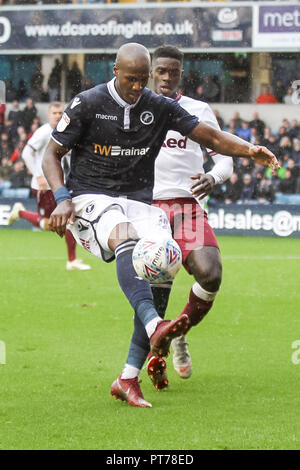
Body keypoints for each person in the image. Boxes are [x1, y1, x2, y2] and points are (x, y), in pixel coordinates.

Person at [41, 43, 278, 409]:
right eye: (131, 79)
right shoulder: (87, 103)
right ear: (114, 69)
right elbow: (51, 153)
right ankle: (158, 328)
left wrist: (250, 150)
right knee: (124, 236)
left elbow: (213, 140)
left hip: (152, 203)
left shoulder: (164, 107)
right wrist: (61, 197)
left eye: (143, 79)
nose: (138, 87)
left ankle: (128, 377)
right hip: (92, 197)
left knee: (165, 267)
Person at [145, 45, 233, 390]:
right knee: (157, 298)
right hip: (147, 210)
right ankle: (154, 357)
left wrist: (214, 177)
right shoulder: (135, 111)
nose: (167, 77)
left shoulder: (197, 111)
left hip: (186, 208)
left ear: (181, 74)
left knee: (210, 274)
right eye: (162, 71)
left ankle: (180, 332)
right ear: (151, 71)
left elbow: (225, 156)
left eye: (174, 72)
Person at [8, 102, 91, 272]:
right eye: (54, 112)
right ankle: (20, 212)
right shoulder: (44, 132)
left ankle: (72, 260)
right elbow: (26, 153)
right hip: (44, 187)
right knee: (51, 225)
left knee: (70, 220)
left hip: (60, 185)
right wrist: (37, 174)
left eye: (61, 112)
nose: (58, 115)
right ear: (49, 115)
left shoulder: (66, 131)